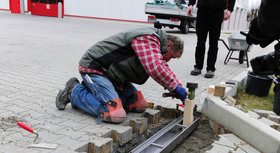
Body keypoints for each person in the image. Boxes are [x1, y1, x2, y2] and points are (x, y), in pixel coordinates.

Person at [55, 27, 187, 124]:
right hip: (97, 68)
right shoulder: (148, 38)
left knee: (139, 104)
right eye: (170, 57)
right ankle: (75, 91)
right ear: (169, 45)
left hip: (114, 74)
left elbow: (163, 67)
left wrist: (181, 91)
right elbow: (156, 68)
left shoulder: (156, 44)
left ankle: (100, 95)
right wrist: (174, 87)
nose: (168, 60)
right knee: (115, 114)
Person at [187, 0, 236, 78]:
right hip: (202, 10)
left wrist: (230, 9)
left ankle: (210, 68)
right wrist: (190, 4)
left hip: (218, 11)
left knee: (213, 42)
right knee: (200, 41)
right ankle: (198, 67)